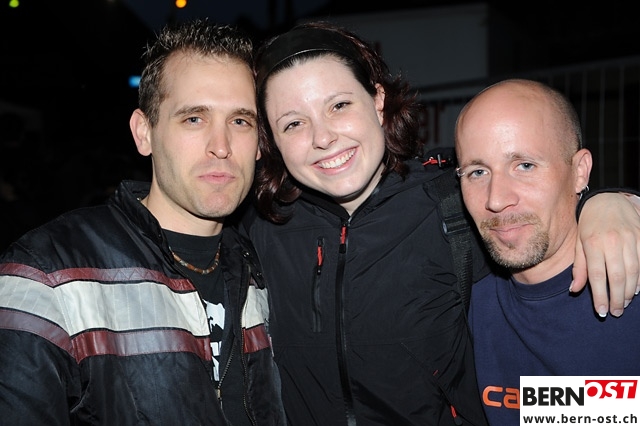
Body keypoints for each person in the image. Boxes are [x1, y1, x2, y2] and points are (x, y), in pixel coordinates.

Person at [242, 21, 640, 426]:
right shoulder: (256, 229)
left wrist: (609, 201)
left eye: (339, 105)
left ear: (377, 101)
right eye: (293, 123)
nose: (323, 137)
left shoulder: (451, 203)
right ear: (270, 140)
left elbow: (537, 196)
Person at [0, 19, 285, 426]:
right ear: (143, 132)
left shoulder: (265, 270)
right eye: (194, 119)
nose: (221, 147)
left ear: (260, 143)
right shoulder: (48, 276)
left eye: (240, 121)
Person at [454, 78, 640, 426]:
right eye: (478, 172)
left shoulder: (632, 279)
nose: (496, 199)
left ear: (579, 171)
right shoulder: (457, 294)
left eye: (524, 166)